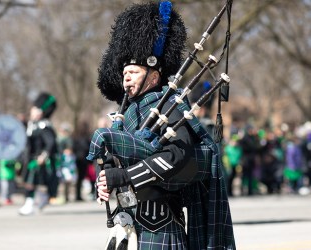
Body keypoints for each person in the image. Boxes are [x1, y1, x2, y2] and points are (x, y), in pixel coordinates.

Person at [90, 1, 235, 249]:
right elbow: (115, 161)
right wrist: (104, 181)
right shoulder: (126, 113)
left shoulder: (170, 107)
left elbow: (177, 155)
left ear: (154, 76)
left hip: (160, 226)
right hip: (127, 223)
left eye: (133, 72)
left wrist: (125, 176)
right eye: (125, 73)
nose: (126, 77)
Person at [18, 92, 59, 215]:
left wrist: (44, 156)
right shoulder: (31, 125)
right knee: (33, 183)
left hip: (39, 160)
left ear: (41, 112)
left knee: (31, 183)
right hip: (30, 158)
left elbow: (50, 143)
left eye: (36, 109)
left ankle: (29, 205)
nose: (32, 111)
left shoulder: (43, 126)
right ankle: (41, 200)